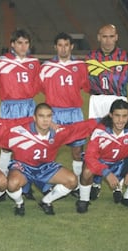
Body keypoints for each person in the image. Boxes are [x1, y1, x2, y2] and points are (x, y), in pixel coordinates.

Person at [0, 103, 98, 216]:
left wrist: (102, 121)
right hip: (23, 167)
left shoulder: (57, 132)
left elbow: (78, 128)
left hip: (45, 167)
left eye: (48, 116)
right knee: (11, 184)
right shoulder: (19, 132)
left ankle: (46, 201)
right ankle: (19, 203)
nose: (45, 120)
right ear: (34, 118)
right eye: (41, 116)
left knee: (72, 181)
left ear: (52, 118)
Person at [85, 24, 128, 200]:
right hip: (97, 101)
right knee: (97, 142)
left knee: (120, 144)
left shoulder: (126, 58)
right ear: (98, 37)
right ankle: (96, 181)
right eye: (104, 36)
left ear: (117, 37)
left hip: (118, 102)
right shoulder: (90, 58)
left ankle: (118, 184)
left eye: (111, 36)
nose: (108, 40)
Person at [38, 32, 90, 197]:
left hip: (74, 113)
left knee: (77, 151)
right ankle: (47, 184)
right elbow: (41, 88)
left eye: (66, 45)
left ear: (71, 46)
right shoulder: (46, 67)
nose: (63, 48)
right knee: (48, 150)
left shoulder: (81, 66)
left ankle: (76, 185)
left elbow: (85, 86)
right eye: (60, 45)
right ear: (55, 47)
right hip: (54, 114)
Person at [76, 99, 128, 213]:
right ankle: (83, 200)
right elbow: (90, 157)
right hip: (101, 164)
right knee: (86, 171)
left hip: (120, 164)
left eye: (124, 116)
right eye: (117, 116)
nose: (121, 120)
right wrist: (107, 173)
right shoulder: (100, 131)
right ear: (110, 115)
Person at [0, 29, 41, 200]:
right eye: (19, 42)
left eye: (26, 43)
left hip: (28, 106)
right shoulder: (1, 62)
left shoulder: (34, 63)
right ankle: (1, 185)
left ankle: (25, 185)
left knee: (28, 146)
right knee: (7, 147)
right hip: (10, 107)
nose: (23, 46)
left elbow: (38, 85)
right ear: (12, 44)